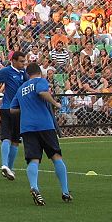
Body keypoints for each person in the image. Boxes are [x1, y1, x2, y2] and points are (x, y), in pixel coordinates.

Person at [16, 61, 71, 206]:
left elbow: (12, 109)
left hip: (27, 127)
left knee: (33, 159)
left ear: (27, 74)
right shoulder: (40, 81)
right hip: (44, 125)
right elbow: (42, 92)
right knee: (56, 156)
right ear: (40, 72)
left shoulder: (21, 88)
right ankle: (65, 192)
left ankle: (34, 187)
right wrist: (55, 103)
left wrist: (27, 109)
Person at [0, 53, 28, 181]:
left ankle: (7, 168)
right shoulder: (7, 71)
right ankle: (6, 165)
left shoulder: (23, 73)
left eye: (24, 61)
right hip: (9, 109)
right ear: (13, 61)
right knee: (10, 138)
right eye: (21, 61)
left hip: (16, 110)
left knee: (12, 139)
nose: (23, 63)